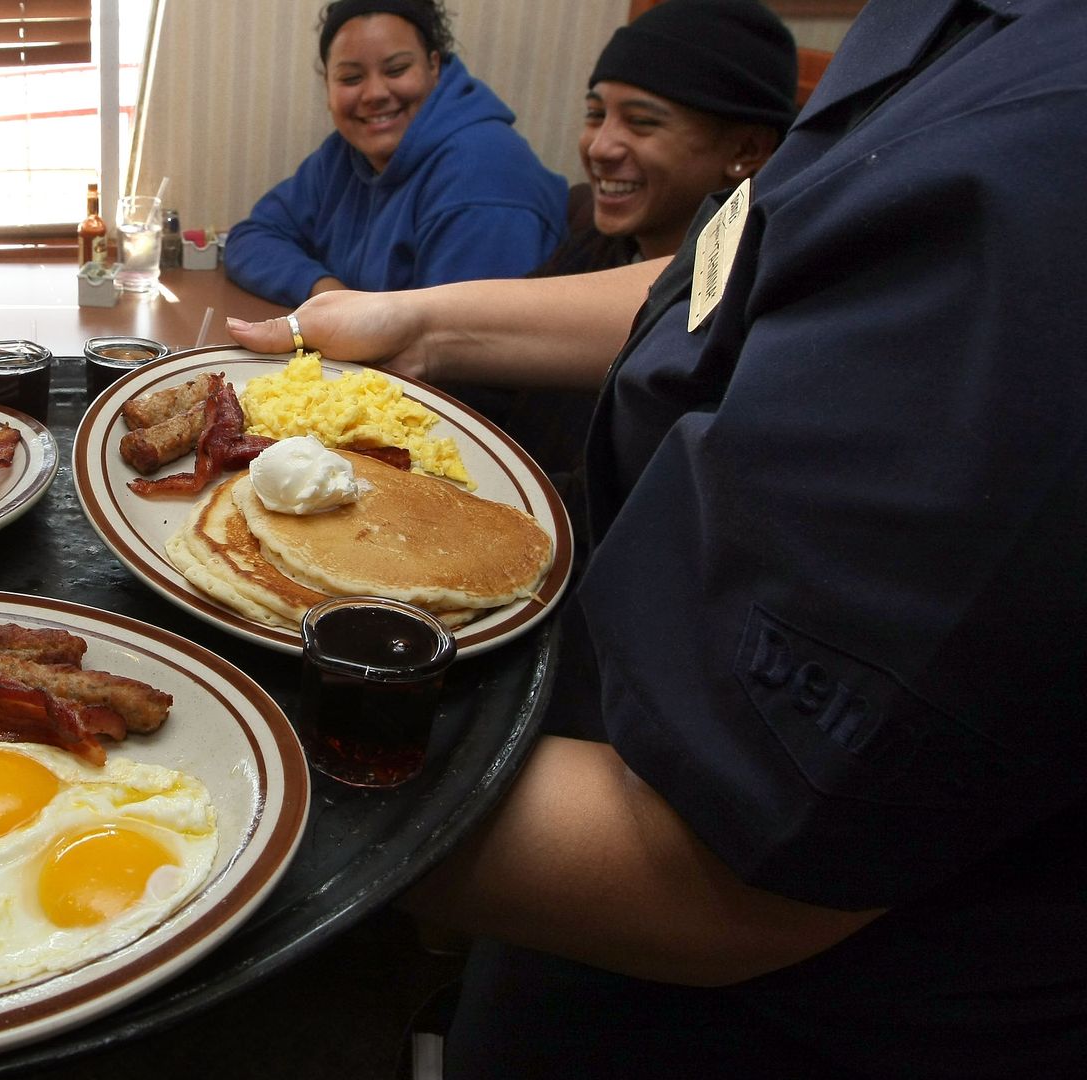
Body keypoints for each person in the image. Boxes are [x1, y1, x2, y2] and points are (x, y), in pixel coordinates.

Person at [230, 0, 1087, 1074]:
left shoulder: (1048, 159)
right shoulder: (949, 34)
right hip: (589, 853)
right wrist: (422, 321)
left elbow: (717, 868)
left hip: (793, 1016)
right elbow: (750, 271)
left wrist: (225, 740)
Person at [466, 0, 798, 475]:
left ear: (746, 149)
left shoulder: (747, 327)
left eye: (641, 122)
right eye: (595, 114)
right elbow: (490, 376)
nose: (600, 147)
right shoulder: (596, 246)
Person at [221, 0, 566, 308]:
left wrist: (352, 318)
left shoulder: (484, 173)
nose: (374, 93)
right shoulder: (342, 156)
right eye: (351, 77)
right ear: (327, 86)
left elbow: (463, 344)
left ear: (434, 66)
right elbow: (251, 237)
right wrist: (328, 293)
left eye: (396, 70)